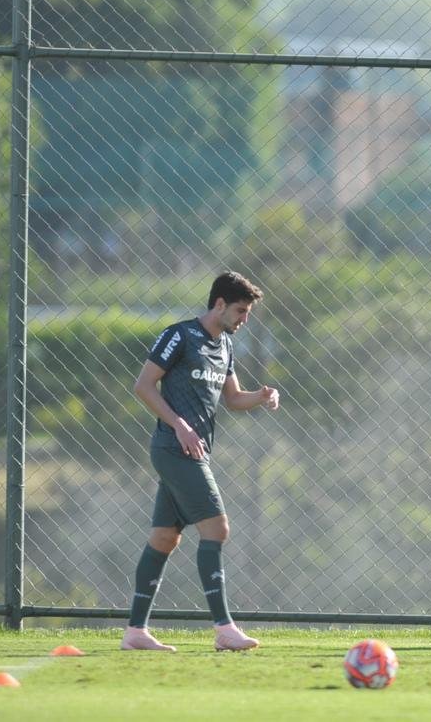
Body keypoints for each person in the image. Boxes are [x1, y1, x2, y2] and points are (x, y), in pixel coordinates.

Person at [120, 271, 280, 651]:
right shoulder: (179, 336)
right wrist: (179, 425)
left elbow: (233, 398)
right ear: (219, 304)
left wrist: (261, 396)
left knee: (164, 537)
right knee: (217, 529)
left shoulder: (225, 345)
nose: (245, 319)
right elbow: (143, 386)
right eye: (240, 311)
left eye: (248, 313)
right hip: (174, 449)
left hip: (195, 451)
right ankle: (224, 629)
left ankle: (135, 633)